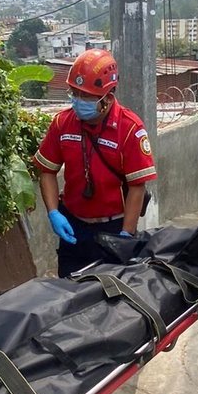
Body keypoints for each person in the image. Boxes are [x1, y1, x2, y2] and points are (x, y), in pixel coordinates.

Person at [34, 49, 157, 277]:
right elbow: (47, 171)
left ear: (107, 98)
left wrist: (126, 236)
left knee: (109, 301)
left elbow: (137, 187)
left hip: (113, 228)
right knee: (68, 294)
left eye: (87, 97)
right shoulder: (63, 123)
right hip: (73, 225)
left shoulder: (130, 129)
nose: (78, 102)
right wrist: (53, 212)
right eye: (75, 93)